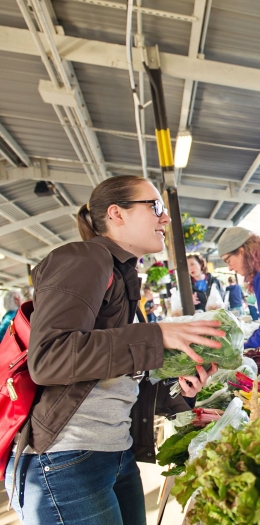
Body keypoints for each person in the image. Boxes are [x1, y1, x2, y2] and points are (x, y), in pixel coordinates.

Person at [5, 175, 225, 525]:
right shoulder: (84, 258)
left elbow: (109, 376)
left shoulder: (120, 274)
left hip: (111, 450)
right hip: (65, 461)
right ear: (116, 214)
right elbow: (49, 358)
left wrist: (176, 390)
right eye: (154, 206)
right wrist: (157, 335)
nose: (165, 217)